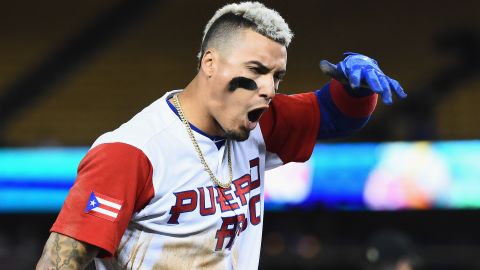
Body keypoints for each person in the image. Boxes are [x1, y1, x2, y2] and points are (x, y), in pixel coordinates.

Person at [36, 2, 406, 269]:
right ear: (210, 63)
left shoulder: (258, 120)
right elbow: (59, 261)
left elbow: (333, 116)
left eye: (277, 77)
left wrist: (356, 91)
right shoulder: (133, 151)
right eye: (256, 70)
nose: (268, 89)